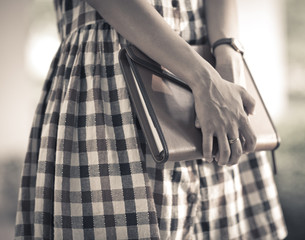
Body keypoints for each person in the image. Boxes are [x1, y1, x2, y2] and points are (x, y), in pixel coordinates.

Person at [14, 0, 287, 239]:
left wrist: (227, 54)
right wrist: (204, 78)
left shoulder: (219, 74)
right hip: (114, 75)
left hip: (214, 70)